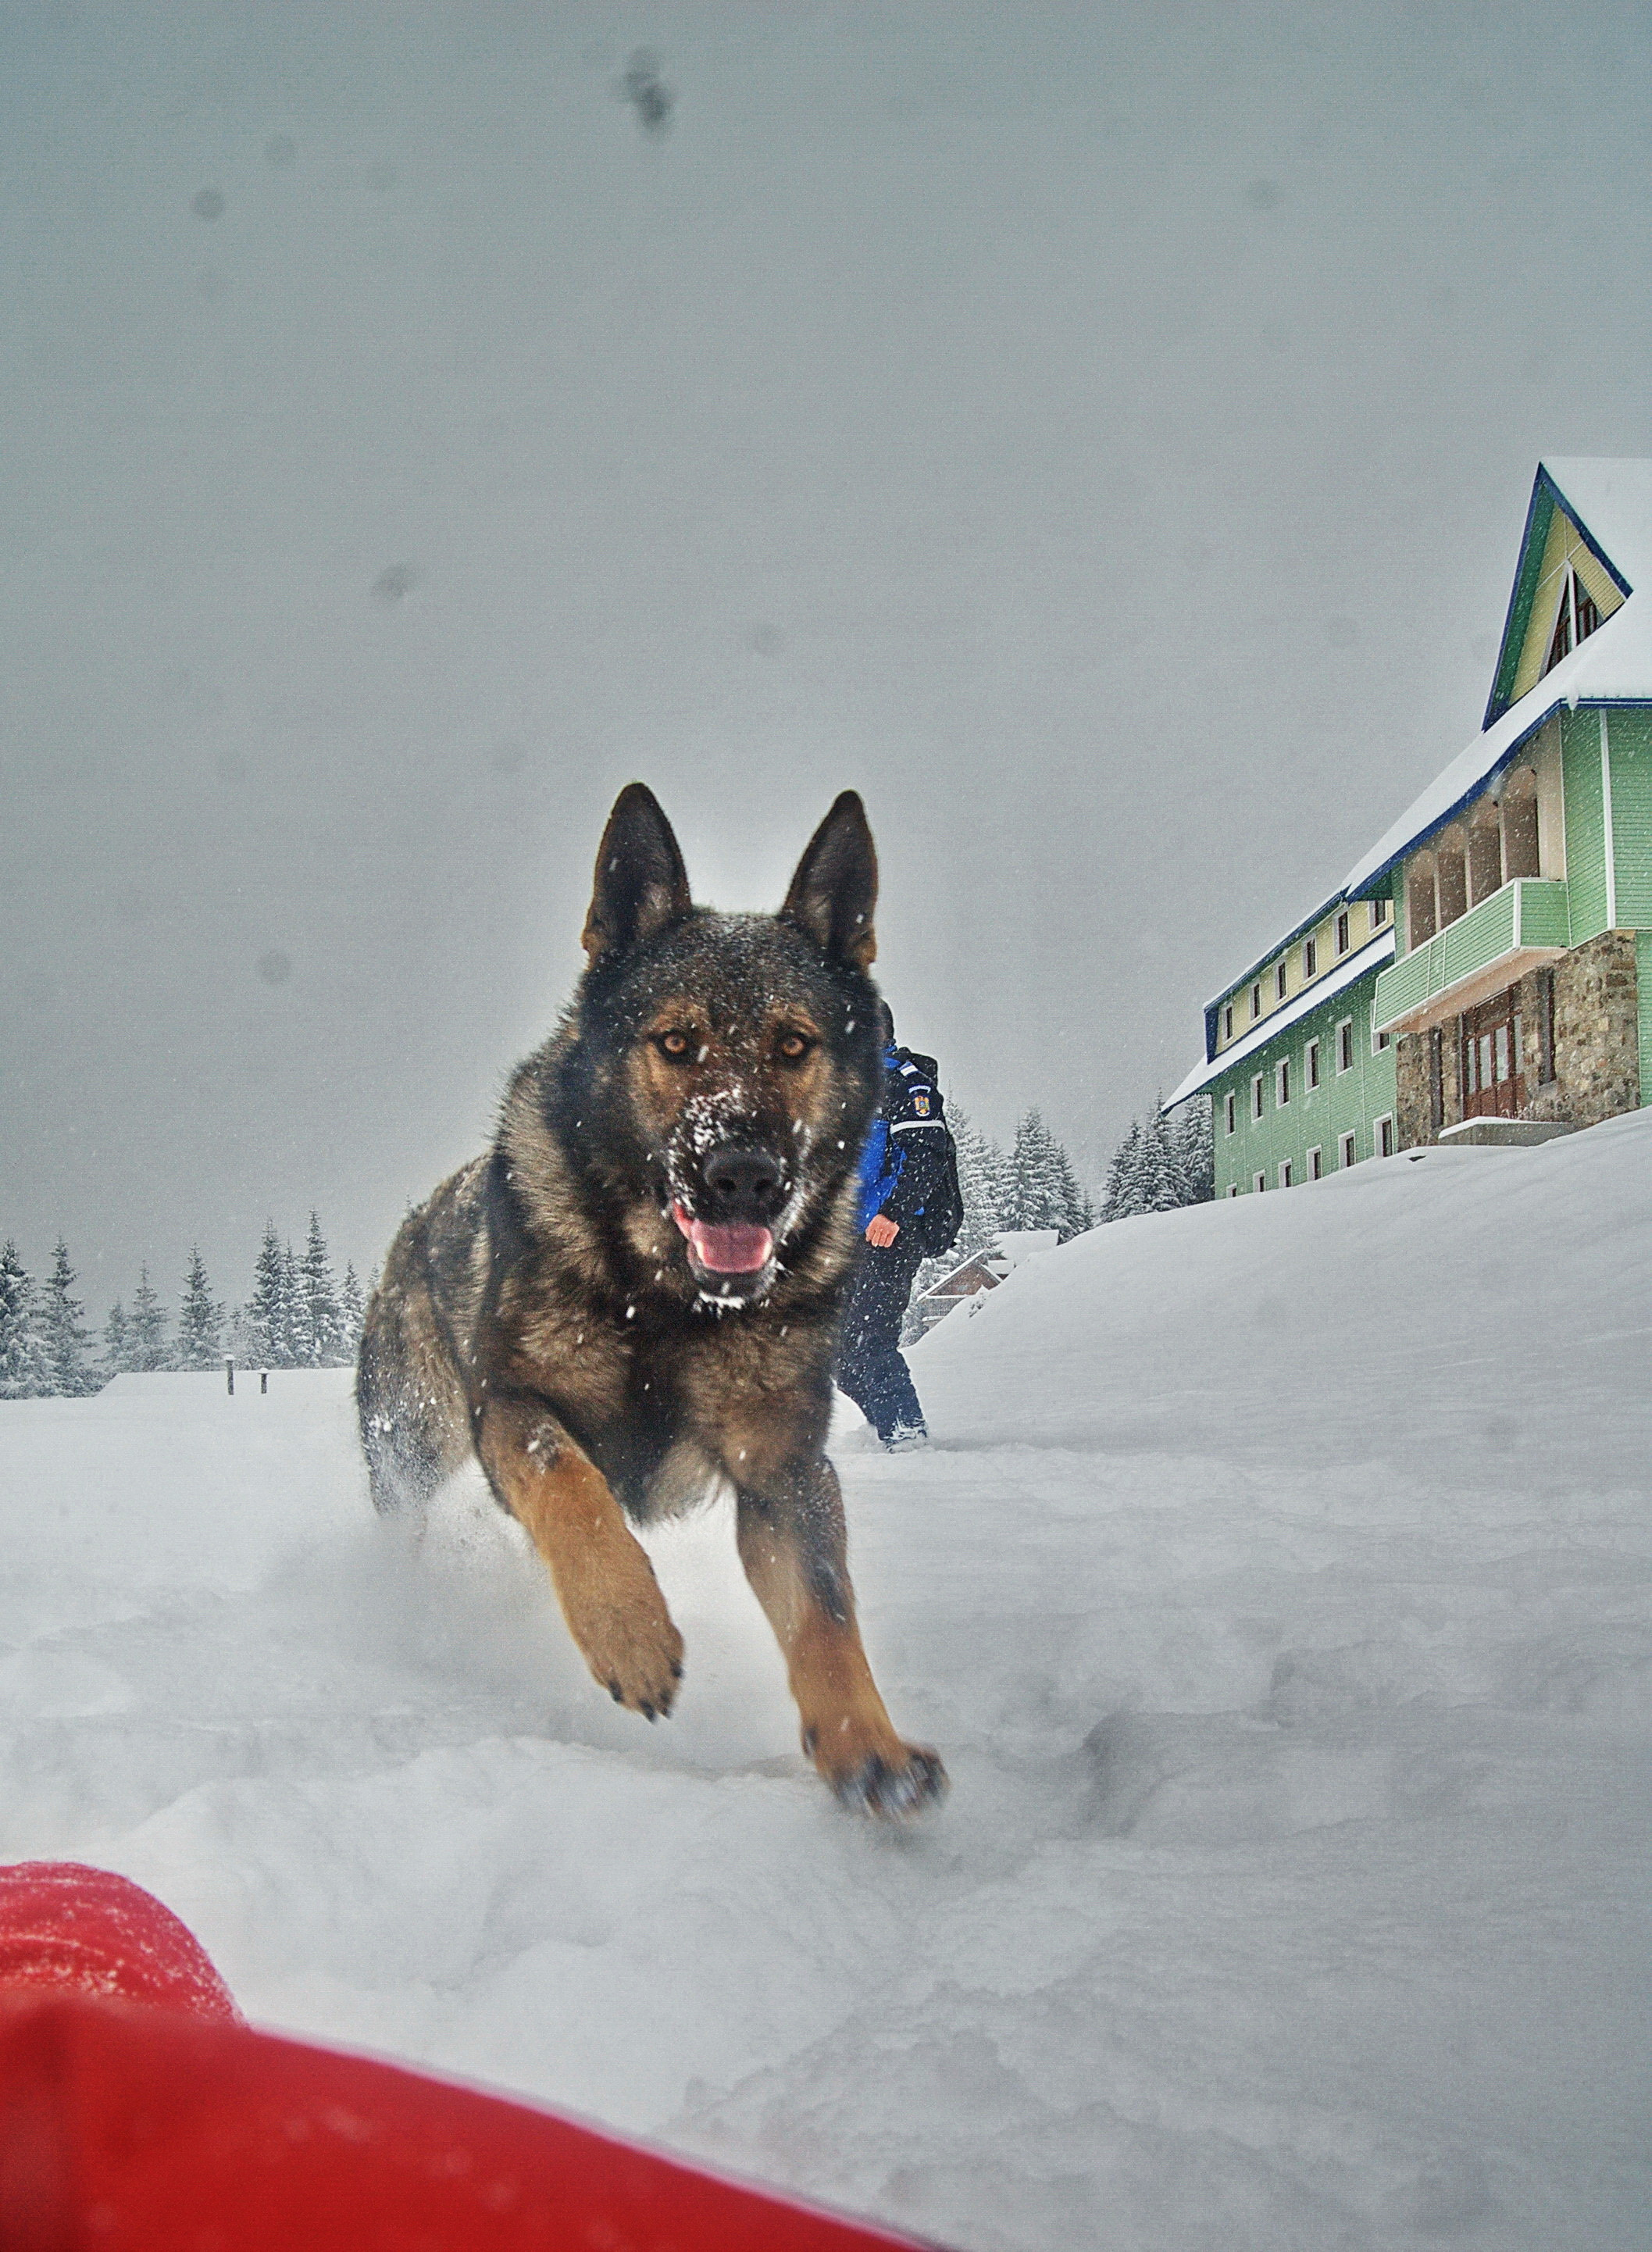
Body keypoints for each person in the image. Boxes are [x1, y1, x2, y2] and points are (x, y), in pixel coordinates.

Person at [837, 1008, 960, 1451]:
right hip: (847, 1236)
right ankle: (883, 1426)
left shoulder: (906, 1083)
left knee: (871, 1338)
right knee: (838, 1351)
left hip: (890, 1232)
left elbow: (928, 1154)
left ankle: (906, 1434)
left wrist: (894, 1214)